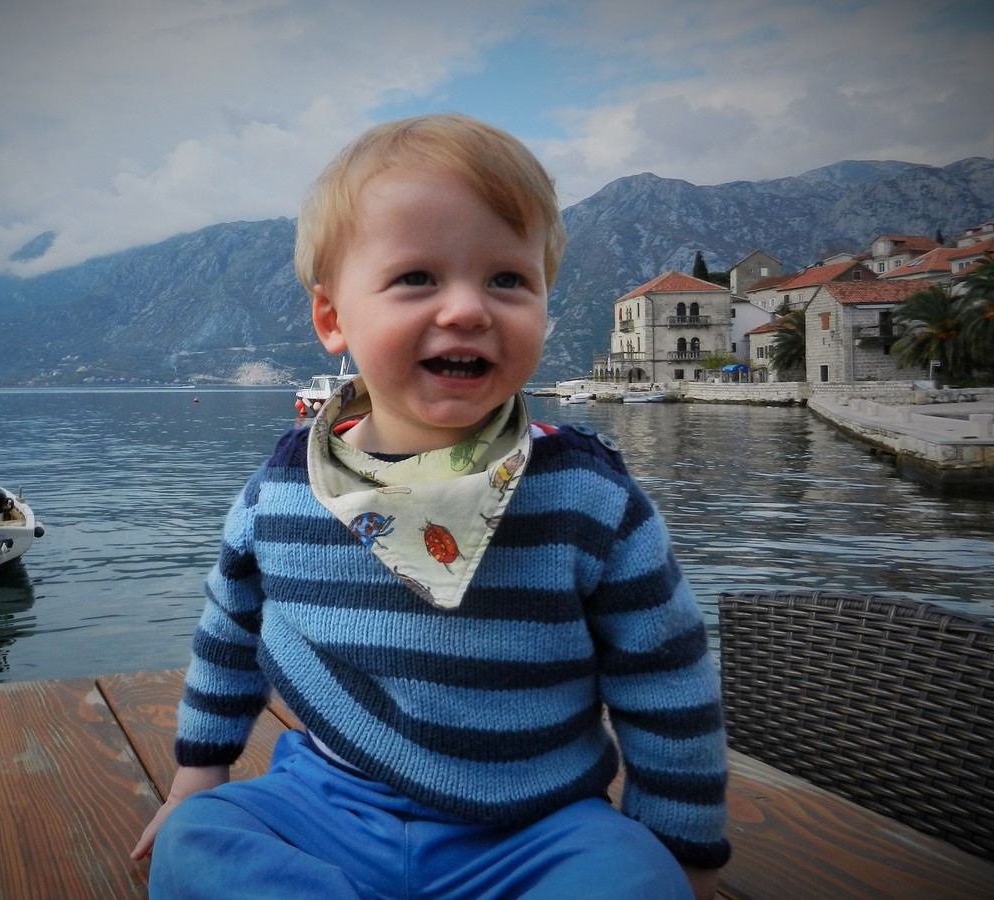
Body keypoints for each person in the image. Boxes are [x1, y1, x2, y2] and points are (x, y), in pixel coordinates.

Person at [132, 113, 730, 898]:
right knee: (197, 843)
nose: (467, 310)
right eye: (418, 277)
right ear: (333, 319)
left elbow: (667, 677)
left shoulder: (586, 494)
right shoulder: (281, 494)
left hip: (539, 825)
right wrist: (195, 777)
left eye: (508, 279)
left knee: (634, 878)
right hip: (326, 803)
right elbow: (229, 635)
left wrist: (678, 848)